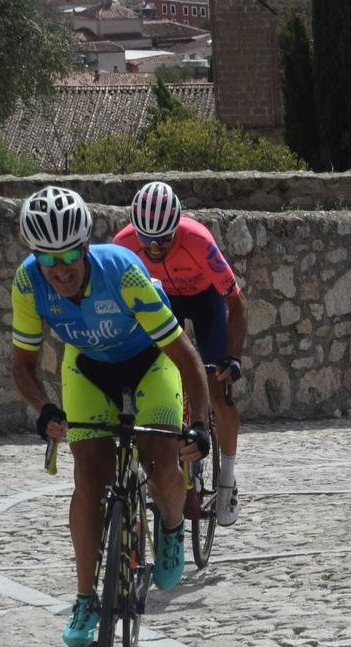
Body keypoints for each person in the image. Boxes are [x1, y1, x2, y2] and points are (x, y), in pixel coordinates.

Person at [11, 186, 210, 647]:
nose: (59, 271)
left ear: (83, 247)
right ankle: (85, 598)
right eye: (47, 259)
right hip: (87, 368)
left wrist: (197, 424)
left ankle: (172, 525)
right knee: (88, 478)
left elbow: (186, 357)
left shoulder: (122, 272)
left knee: (162, 459)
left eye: (67, 257)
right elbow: (22, 365)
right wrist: (45, 409)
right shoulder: (28, 283)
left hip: (149, 360)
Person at [113, 181, 248, 527]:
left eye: (164, 239)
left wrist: (232, 356)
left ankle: (228, 479)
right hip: (160, 301)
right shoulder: (124, 245)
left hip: (204, 301)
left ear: (176, 227)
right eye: (147, 239)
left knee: (217, 389)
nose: (155, 247)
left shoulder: (198, 241)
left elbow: (235, 299)